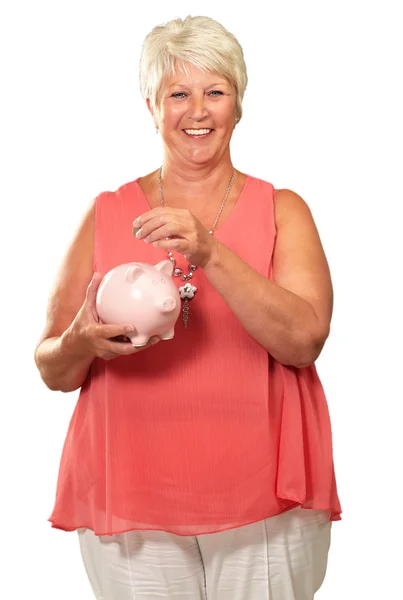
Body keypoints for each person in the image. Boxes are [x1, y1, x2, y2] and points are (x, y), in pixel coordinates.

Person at [34, 15, 342, 600]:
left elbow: (303, 341)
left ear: (239, 104)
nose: (197, 110)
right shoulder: (105, 212)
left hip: (265, 502)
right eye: (178, 93)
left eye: (215, 91)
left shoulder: (283, 210)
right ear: (151, 107)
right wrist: (79, 344)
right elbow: (52, 366)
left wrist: (210, 251)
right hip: (132, 495)